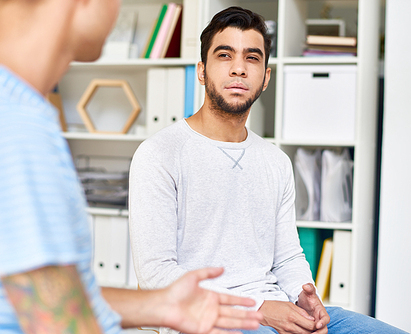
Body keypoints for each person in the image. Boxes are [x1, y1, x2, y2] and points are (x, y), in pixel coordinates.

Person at [129, 6, 407, 334]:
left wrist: (307, 298)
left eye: (252, 58)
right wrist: (261, 310)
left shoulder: (275, 161)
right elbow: (156, 277)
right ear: (202, 71)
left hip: (274, 306)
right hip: (205, 317)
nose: (238, 69)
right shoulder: (159, 154)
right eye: (224, 55)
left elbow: (287, 256)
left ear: (266, 77)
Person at [0, 1, 264, 333]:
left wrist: (160, 304)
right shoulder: (19, 128)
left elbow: (41, 294)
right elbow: (58, 324)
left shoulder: (18, 110)